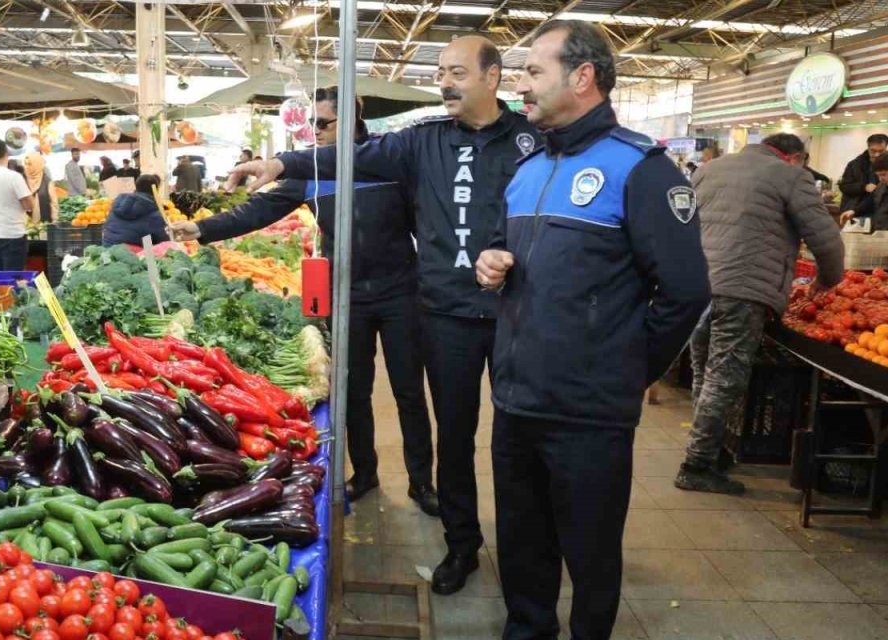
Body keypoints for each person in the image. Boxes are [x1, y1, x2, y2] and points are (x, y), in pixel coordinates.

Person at [226, 35, 542, 595]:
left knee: (519, 441)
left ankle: (527, 556)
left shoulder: (533, 141)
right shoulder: (420, 143)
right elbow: (348, 155)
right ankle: (462, 543)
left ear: (493, 77)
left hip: (520, 313)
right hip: (446, 313)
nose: (445, 82)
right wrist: (281, 160)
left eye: (458, 72)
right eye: (442, 71)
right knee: (456, 435)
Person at [474, 21, 710, 638]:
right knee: (523, 547)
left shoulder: (641, 169)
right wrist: (491, 261)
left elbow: (686, 291)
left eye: (533, 71)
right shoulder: (528, 167)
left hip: (589, 412)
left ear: (583, 78)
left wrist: (626, 370)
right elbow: (503, 247)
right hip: (517, 398)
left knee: (591, 554)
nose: (520, 84)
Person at [169, 86, 439, 518]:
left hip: (400, 292)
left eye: (323, 123)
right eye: (313, 123)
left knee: (409, 390)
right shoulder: (311, 169)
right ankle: (365, 472)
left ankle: (421, 481)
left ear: (351, 117)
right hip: (346, 296)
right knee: (354, 390)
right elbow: (257, 211)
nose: (315, 131)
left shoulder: (390, 162)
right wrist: (202, 230)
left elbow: (427, 216)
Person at [678, 133, 844, 497]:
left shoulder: (711, 169)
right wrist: (829, 279)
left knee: (705, 370)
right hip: (742, 288)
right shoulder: (790, 176)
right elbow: (825, 238)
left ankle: (709, 449)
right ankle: (696, 465)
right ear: (795, 157)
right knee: (725, 377)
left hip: (697, 284)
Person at [0, 138, 34, 272]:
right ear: (6, 154)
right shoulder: (14, 177)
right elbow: (29, 205)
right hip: (12, 236)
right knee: (12, 280)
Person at [840, 151, 888, 232]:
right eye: (878, 175)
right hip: (880, 234)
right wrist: (854, 211)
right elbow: (873, 199)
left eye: (883, 174)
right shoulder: (883, 184)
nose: (880, 179)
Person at [103, 174, 168, 246]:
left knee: (146, 234)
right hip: (133, 253)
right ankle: (149, 256)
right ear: (156, 190)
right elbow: (163, 241)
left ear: (136, 186)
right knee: (149, 240)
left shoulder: (118, 202)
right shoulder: (153, 211)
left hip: (107, 249)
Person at [840, 134, 888, 213]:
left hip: (881, 211)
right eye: (873, 151)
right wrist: (864, 187)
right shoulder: (854, 164)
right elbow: (844, 186)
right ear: (868, 148)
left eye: (881, 151)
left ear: (886, 148)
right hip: (856, 210)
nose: (877, 155)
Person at [24, 153, 54, 224]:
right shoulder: (22, 180)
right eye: (26, 164)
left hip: (43, 222)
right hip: (26, 224)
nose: (27, 167)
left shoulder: (47, 181)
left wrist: (54, 221)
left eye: (29, 164)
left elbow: (53, 204)